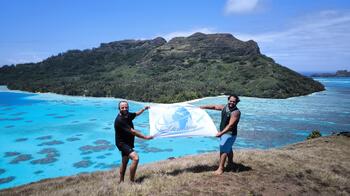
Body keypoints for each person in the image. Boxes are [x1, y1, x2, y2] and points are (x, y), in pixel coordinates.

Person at [200, 95, 241, 175]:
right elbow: (214, 107)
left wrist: (221, 133)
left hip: (229, 133)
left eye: (234, 101)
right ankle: (230, 163)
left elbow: (230, 125)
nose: (232, 102)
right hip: (224, 132)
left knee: (223, 149)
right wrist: (202, 107)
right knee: (228, 148)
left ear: (236, 102)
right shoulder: (225, 107)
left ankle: (221, 168)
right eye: (230, 101)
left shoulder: (236, 112)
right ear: (228, 100)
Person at [114, 100, 153, 182]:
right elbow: (133, 132)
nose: (125, 109)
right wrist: (145, 137)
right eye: (122, 107)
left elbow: (136, 114)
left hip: (128, 141)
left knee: (125, 161)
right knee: (135, 158)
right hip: (122, 143)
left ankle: (121, 181)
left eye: (126, 107)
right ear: (119, 108)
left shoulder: (127, 115)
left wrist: (144, 109)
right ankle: (132, 181)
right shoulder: (119, 120)